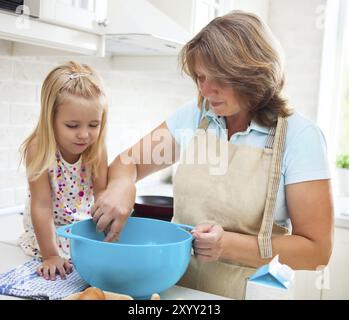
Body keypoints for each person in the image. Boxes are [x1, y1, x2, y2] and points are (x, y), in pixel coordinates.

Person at [91, 11, 334, 299]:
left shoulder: (300, 137)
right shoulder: (195, 118)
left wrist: (227, 245)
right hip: (178, 291)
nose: (206, 90)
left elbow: (316, 251)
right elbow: (128, 163)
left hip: (250, 292)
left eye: (218, 78)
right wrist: (122, 185)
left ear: (253, 74)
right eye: (200, 77)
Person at [18, 61, 108, 281]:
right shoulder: (39, 147)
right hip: (48, 233)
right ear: (51, 119)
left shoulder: (96, 149)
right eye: (72, 126)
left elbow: (102, 197)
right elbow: (41, 205)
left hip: (81, 229)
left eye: (93, 125)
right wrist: (50, 256)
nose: (84, 135)